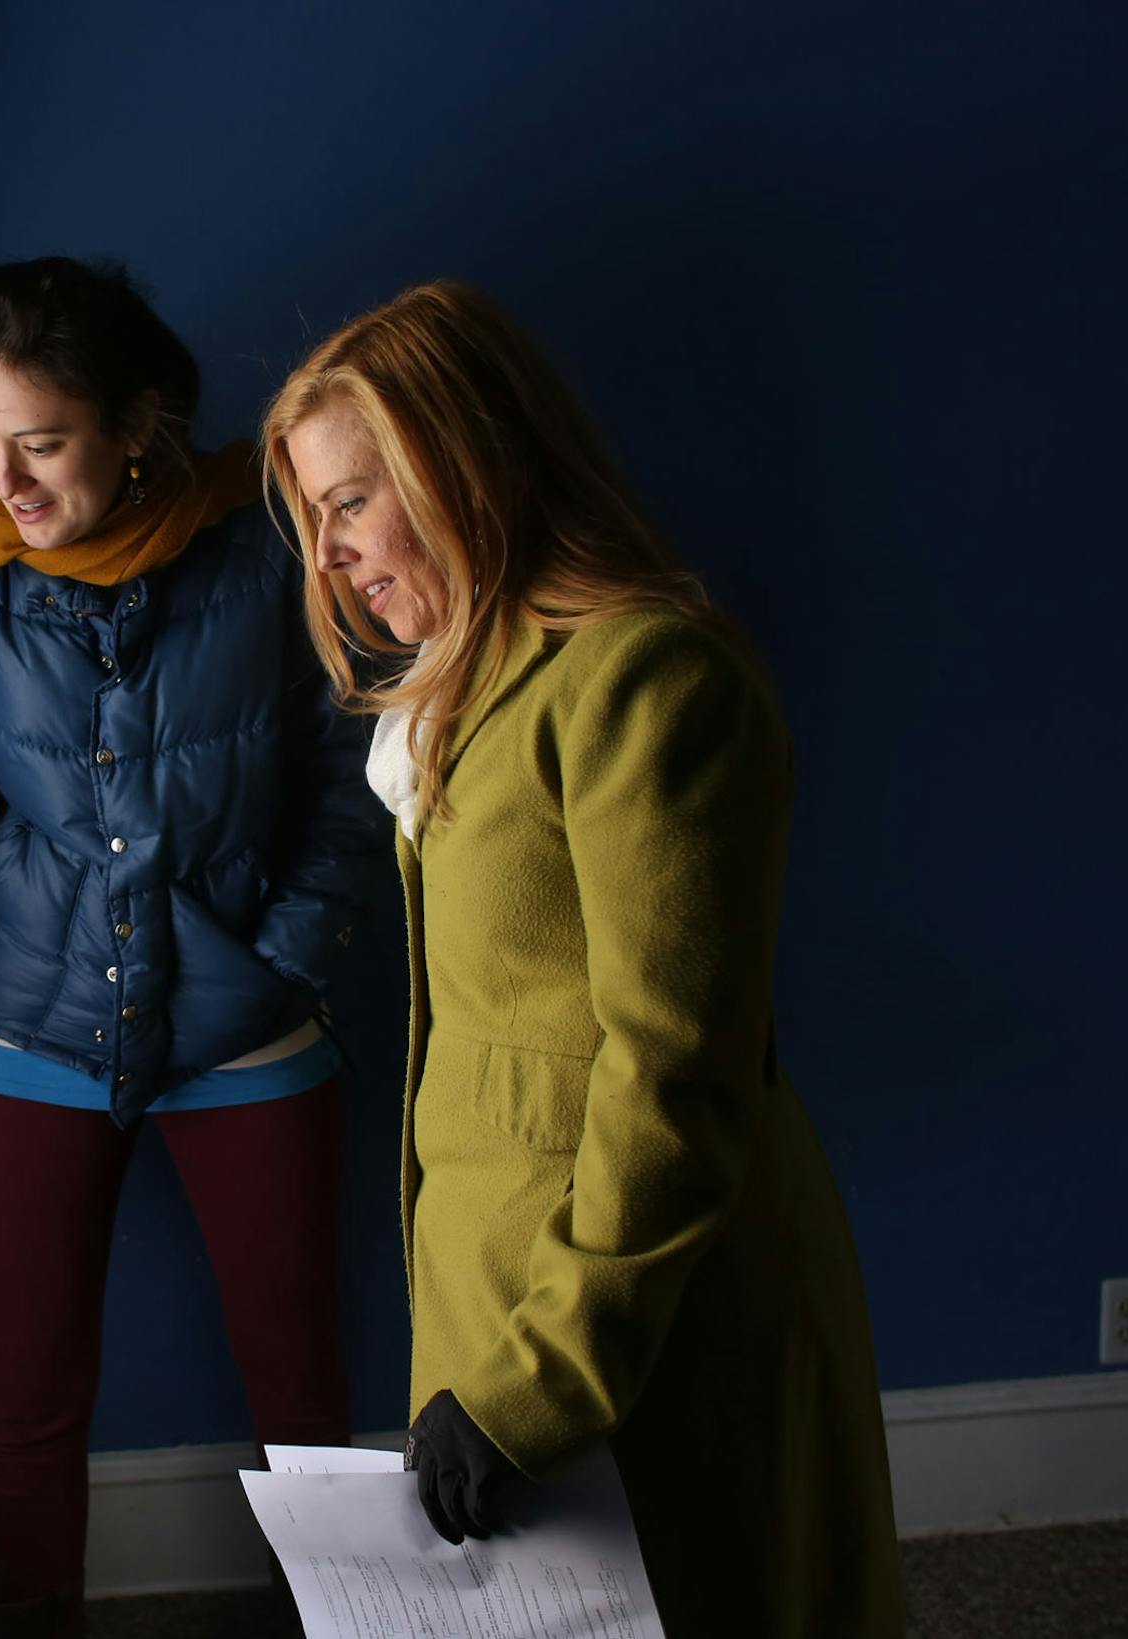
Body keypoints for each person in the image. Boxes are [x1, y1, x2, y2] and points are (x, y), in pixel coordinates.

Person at [261, 280, 905, 1638]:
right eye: (313, 518)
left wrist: (538, 1381)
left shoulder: (646, 681)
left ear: (464, 460)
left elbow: (676, 1082)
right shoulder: (460, 695)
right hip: (507, 1302)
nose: (327, 558)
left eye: (351, 502)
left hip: (637, 1319)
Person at [0, 256, 377, 1632]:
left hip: (247, 1026)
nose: (4, 483)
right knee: (28, 1397)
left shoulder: (268, 544)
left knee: (304, 1391)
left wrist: (287, 958)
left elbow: (345, 773)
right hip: (29, 1027)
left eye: (42, 443)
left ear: (138, 424)